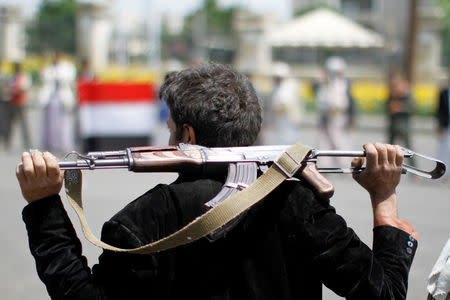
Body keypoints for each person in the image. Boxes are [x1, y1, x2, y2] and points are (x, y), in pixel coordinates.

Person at [17, 63, 418, 300]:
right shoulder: (299, 204)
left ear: (187, 136)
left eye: (172, 128)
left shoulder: (144, 218)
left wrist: (44, 207)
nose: (168, 139)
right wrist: (384, 197)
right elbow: (384, 294)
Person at [39, 50, 76, 153]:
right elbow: (45, 78)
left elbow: (68, 78)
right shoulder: (50, 68)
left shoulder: (67, 67)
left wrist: (59, 78)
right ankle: (50, 143)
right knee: (50, 123)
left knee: (63, 123)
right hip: (51, 98)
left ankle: (63, 144)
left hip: (62, 97)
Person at [3, 62, 31, 150]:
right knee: (8, 124)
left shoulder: (24, 77)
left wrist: (16, 90)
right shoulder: (12, 77)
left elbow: (25, 88)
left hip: (20, 103)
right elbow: (7, 87)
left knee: (23, 125)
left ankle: (27, 143)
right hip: (12, 103)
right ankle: (7, 142)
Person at [436, 72, 450, 180]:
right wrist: (440, 125)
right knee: (444, 149)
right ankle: (443, 172)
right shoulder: (444, 92)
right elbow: (440, 110)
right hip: (446, 125)